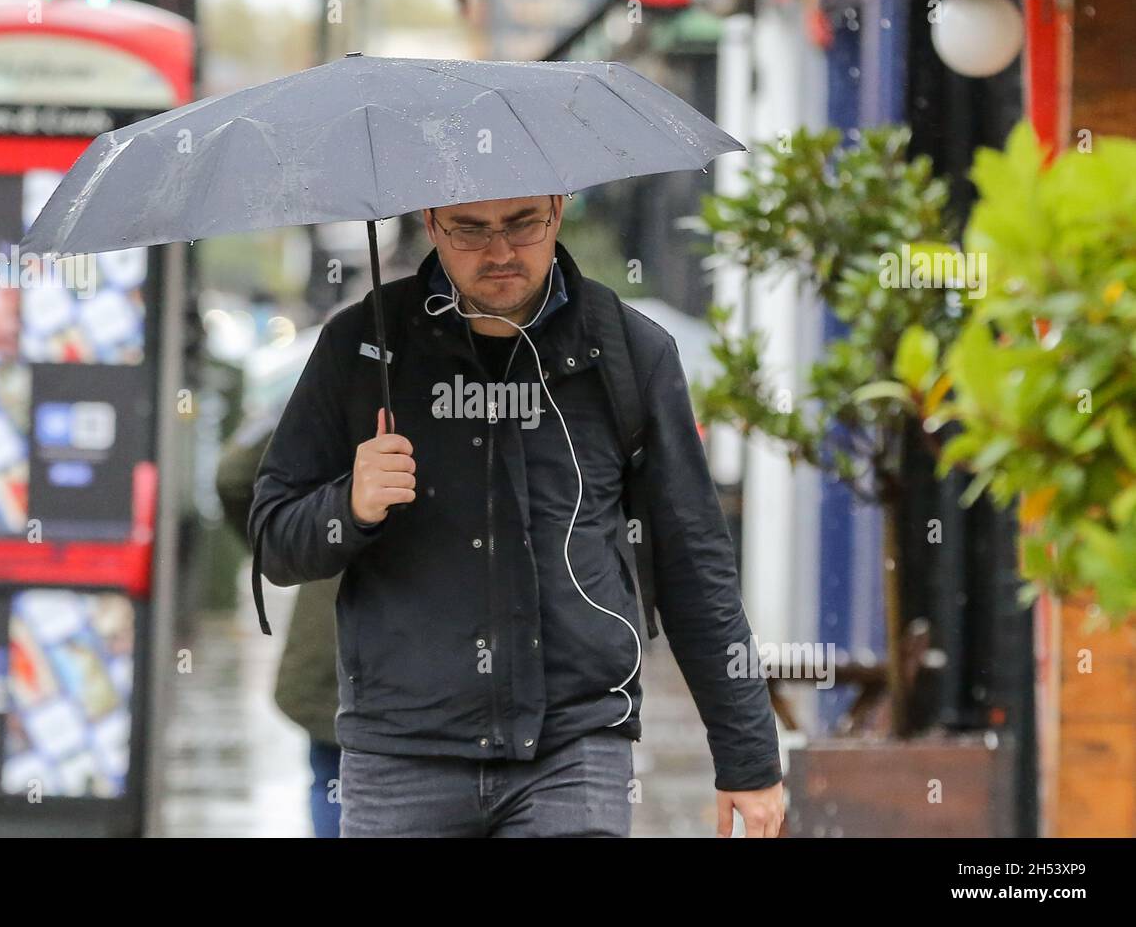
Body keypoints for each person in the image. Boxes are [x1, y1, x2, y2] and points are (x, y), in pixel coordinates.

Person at [248, 194, 784, 837]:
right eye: (470, 230)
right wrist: (351, 505)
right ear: (432, 225)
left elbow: (695, 562)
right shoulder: (361, 349)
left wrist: (749, 760)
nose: (500, 252)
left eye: (523, 224)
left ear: (556, 211)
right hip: (401, 754)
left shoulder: (626, 351)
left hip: (575, 748)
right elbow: (275, 540)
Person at [216, 413, 344, 838]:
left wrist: (280, 547)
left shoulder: (338, 390)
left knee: (331, 782)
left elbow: (235, 474)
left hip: (334, 647)